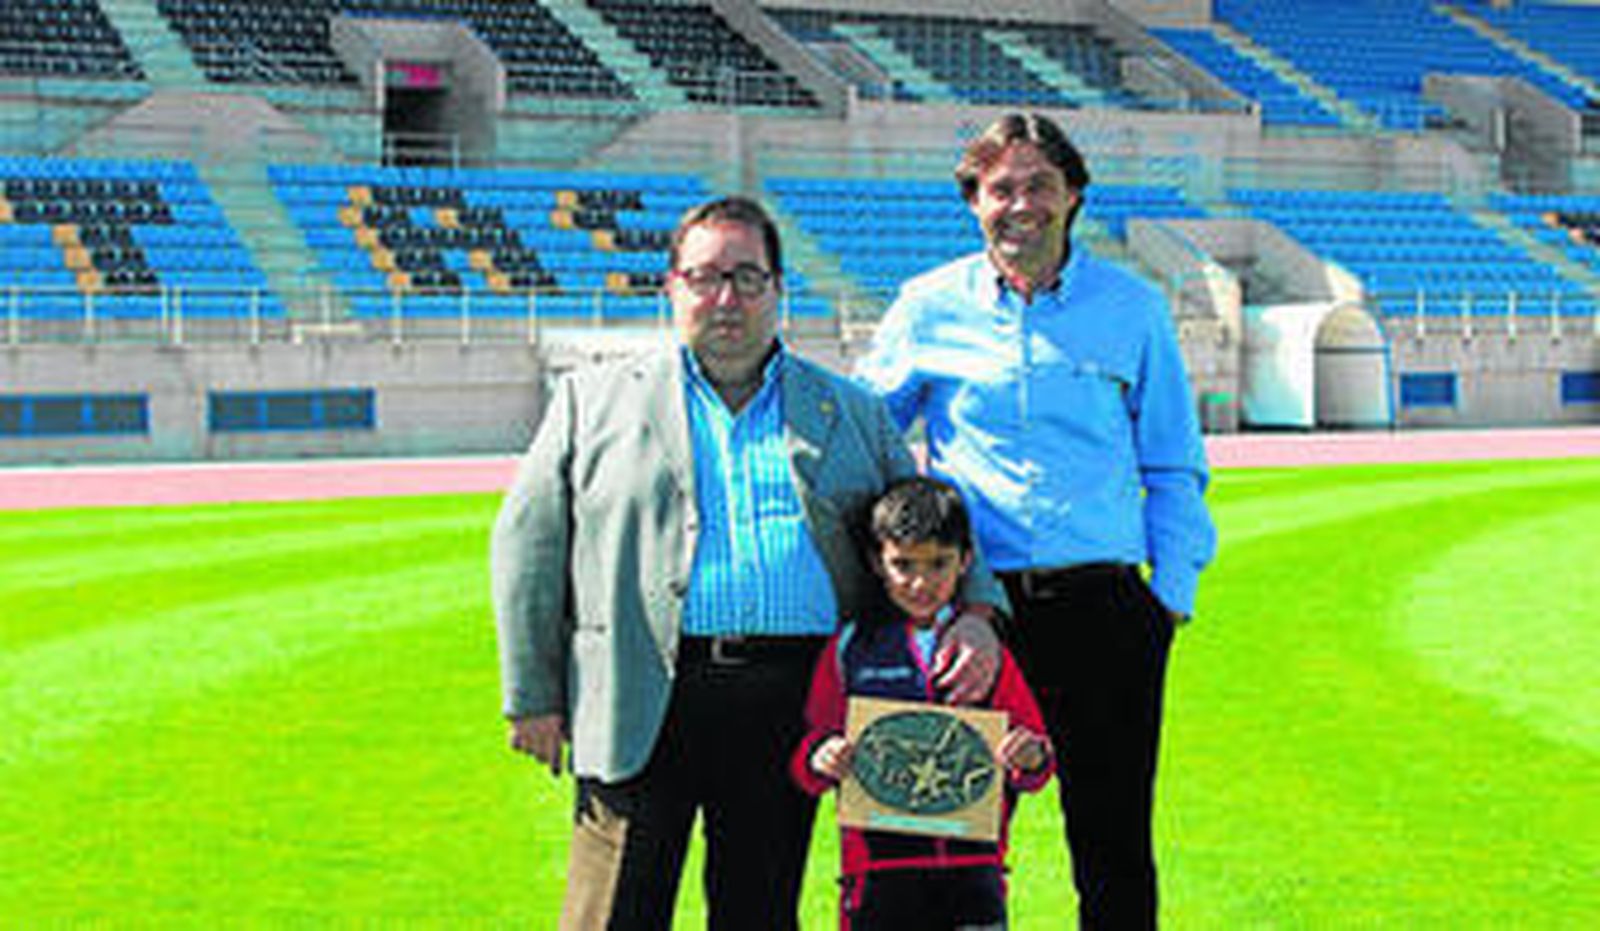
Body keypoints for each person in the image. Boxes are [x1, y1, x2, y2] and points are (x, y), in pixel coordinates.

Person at [491, 195, 1007, 931]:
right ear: (671, 286)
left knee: (760, 912)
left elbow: (932, 512)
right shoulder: (591, 401)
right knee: (612, 914)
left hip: (790, 705)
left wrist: (979, 614)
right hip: (640, 692)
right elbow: (527, 545)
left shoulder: (851, 411)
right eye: (704, 276)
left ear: (778, 289)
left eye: (747, 276)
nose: (725, 297)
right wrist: (532, 694)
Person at [855, 113, 1218, 929]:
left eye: (1040, 185)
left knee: (1114, 844)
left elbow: (1174, 463)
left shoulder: (1134, 309)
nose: (1021, 204)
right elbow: (869, 439)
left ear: (1074, 194)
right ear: (973, 202)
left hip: (1107, 612)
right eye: (1000, 189)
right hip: (973, 620)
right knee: (946, 844)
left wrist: (1169, 600)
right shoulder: (926, 308)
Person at [791, 476, 1053, 931]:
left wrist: (1027, 755)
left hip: (974, 874)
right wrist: (823, 756)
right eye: (903, 565)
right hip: (877, 877)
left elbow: (1036, 759)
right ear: (877, 562)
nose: (920, 582)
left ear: (965, 561)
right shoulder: (850, 649)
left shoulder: (987, 653)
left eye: (938, 564)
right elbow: (810, 753)